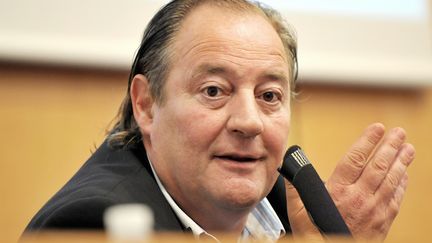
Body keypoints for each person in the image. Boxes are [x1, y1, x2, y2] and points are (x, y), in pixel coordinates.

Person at [24, 0, 415, 241]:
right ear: (145, 105)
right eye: (214, 91)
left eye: (269, 96)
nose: (249, 122)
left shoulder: (287, 203)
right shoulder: (95, 223)